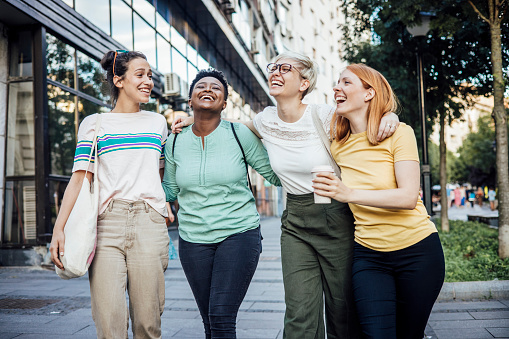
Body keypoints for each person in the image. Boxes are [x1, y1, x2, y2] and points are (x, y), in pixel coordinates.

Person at [172, 51, 400, 339]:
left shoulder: (325, 115)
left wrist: (388, 115)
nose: (275, 72)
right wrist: (188, 118)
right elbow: (222, 127)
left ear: (304, 83)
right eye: (273, 67)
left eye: (285, 69)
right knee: (299, 312)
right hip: (295, 220)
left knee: (342, 309)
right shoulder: (265, 119)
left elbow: (366, 119)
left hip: (336, 215)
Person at [313, 63, 445, 339]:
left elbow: (409, 196)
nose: (336, 87)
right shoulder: (337, 142)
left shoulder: (400, 133)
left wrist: (349, 194)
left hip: (418, 251)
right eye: (337, 82)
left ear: (369, 93)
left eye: (346, 82)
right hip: (369, 256)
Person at [49, 50, 172, 339]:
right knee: (109, 324)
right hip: (107, 223)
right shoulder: (95, 124)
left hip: (148, 222)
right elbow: (79, 179)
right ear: (118, 79)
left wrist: (164, 204)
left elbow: (162, 171)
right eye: (140, 75)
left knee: (148, 323)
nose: (148, 82)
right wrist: (59, 228)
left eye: (150, 76)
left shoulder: (158, 124)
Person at [162, 68, 281, 339]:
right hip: (193, 240)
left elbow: (273, 174)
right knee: (210, 321)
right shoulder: (175, 141)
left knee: (221, 316)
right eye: (200, 86)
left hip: (238, 233)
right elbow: (169, 188)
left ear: (224, 104)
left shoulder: (239, 134)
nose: (208, 90)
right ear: (190, 101)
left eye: (216, 88)